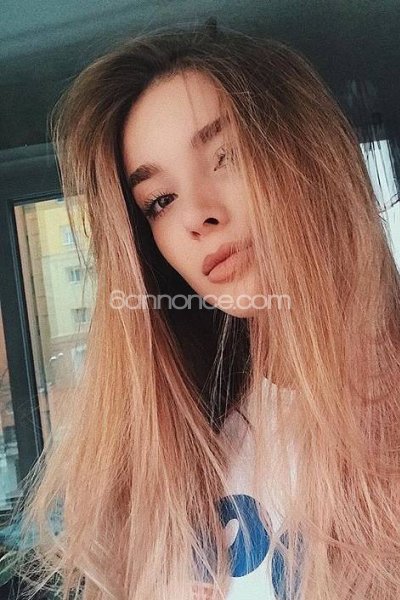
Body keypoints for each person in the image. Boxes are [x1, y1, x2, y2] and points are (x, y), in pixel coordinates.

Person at [10, 19, 400, 600]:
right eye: (160, 200)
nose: (196, 215)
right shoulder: (175, 454)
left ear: (312, 157)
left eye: (226, 156)